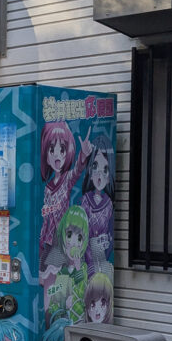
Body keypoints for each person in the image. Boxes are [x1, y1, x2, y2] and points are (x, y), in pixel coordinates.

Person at [39, 121, 92, 271]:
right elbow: (46, 219)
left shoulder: (67, 179)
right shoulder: (47, 188)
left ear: (67, 152)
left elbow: (77, 170)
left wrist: (83, 155)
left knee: (58, 273)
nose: (57, 154)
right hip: (49, 239)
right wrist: (41, 239)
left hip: (64, 237)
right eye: (51, 149)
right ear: (46, 157)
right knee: (44, 271)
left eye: (62, 149)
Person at [47, 205, 89, 325]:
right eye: (69, 235)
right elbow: (53, 305)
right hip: (64, 328)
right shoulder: (62, 273)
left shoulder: (83, 269)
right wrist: (62, 305)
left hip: (80, 327)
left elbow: (84, 297)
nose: (74, 243)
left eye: (79, 238)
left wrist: (78, 267)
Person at [81, 135, 115, 279]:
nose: (100, 175)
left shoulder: (109, 204)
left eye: (105, 169)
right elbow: (81, 230)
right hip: (86, 261)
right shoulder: (85, 200)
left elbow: (111, 233)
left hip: (102, 261)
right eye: (95, 167)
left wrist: (105, 244)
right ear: (89, 171)